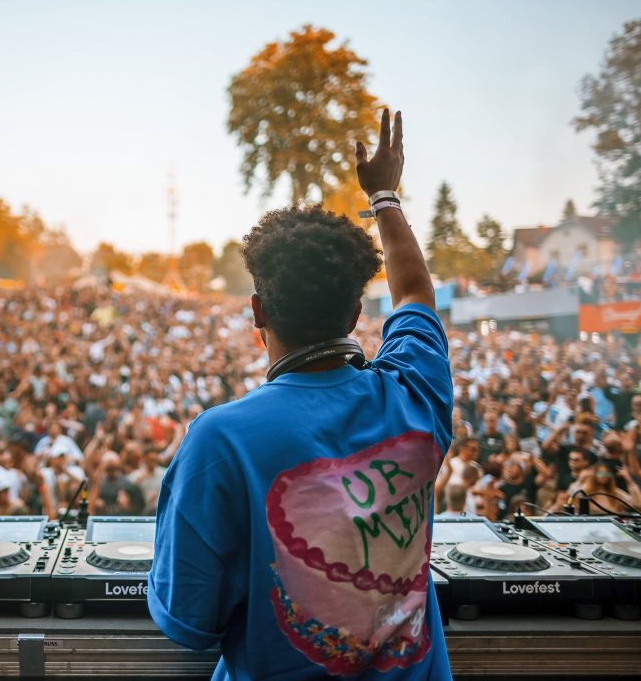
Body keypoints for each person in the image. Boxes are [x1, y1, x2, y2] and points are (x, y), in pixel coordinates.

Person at [149, 111, 454, 679]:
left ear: (258, 312)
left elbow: (189, 621)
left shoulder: (221, 440)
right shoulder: (414, 394)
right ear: (356, 314)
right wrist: (384, 195)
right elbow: (415, 292)